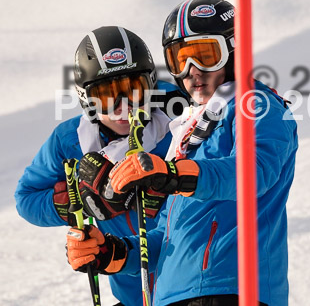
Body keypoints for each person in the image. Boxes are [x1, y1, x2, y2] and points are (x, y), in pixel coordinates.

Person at [65, 0, 299, 306]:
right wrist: (113, 253)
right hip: (174, 293)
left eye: (205, 55)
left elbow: (254, 172)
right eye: (179, 59)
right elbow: (168, 237)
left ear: (233, 50)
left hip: (229, 287)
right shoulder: (189, 129)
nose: (191, 71)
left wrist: (173, 175)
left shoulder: (257, 105)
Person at [15, 26, 186, 306]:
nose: (124, 108)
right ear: (86, 99)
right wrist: (80, 200)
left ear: (151, 84)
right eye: (107, 96)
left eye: (134, 90)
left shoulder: (181, 118)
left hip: (189, 284)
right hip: (133, 292)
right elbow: (27, 200)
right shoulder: (70, 140)